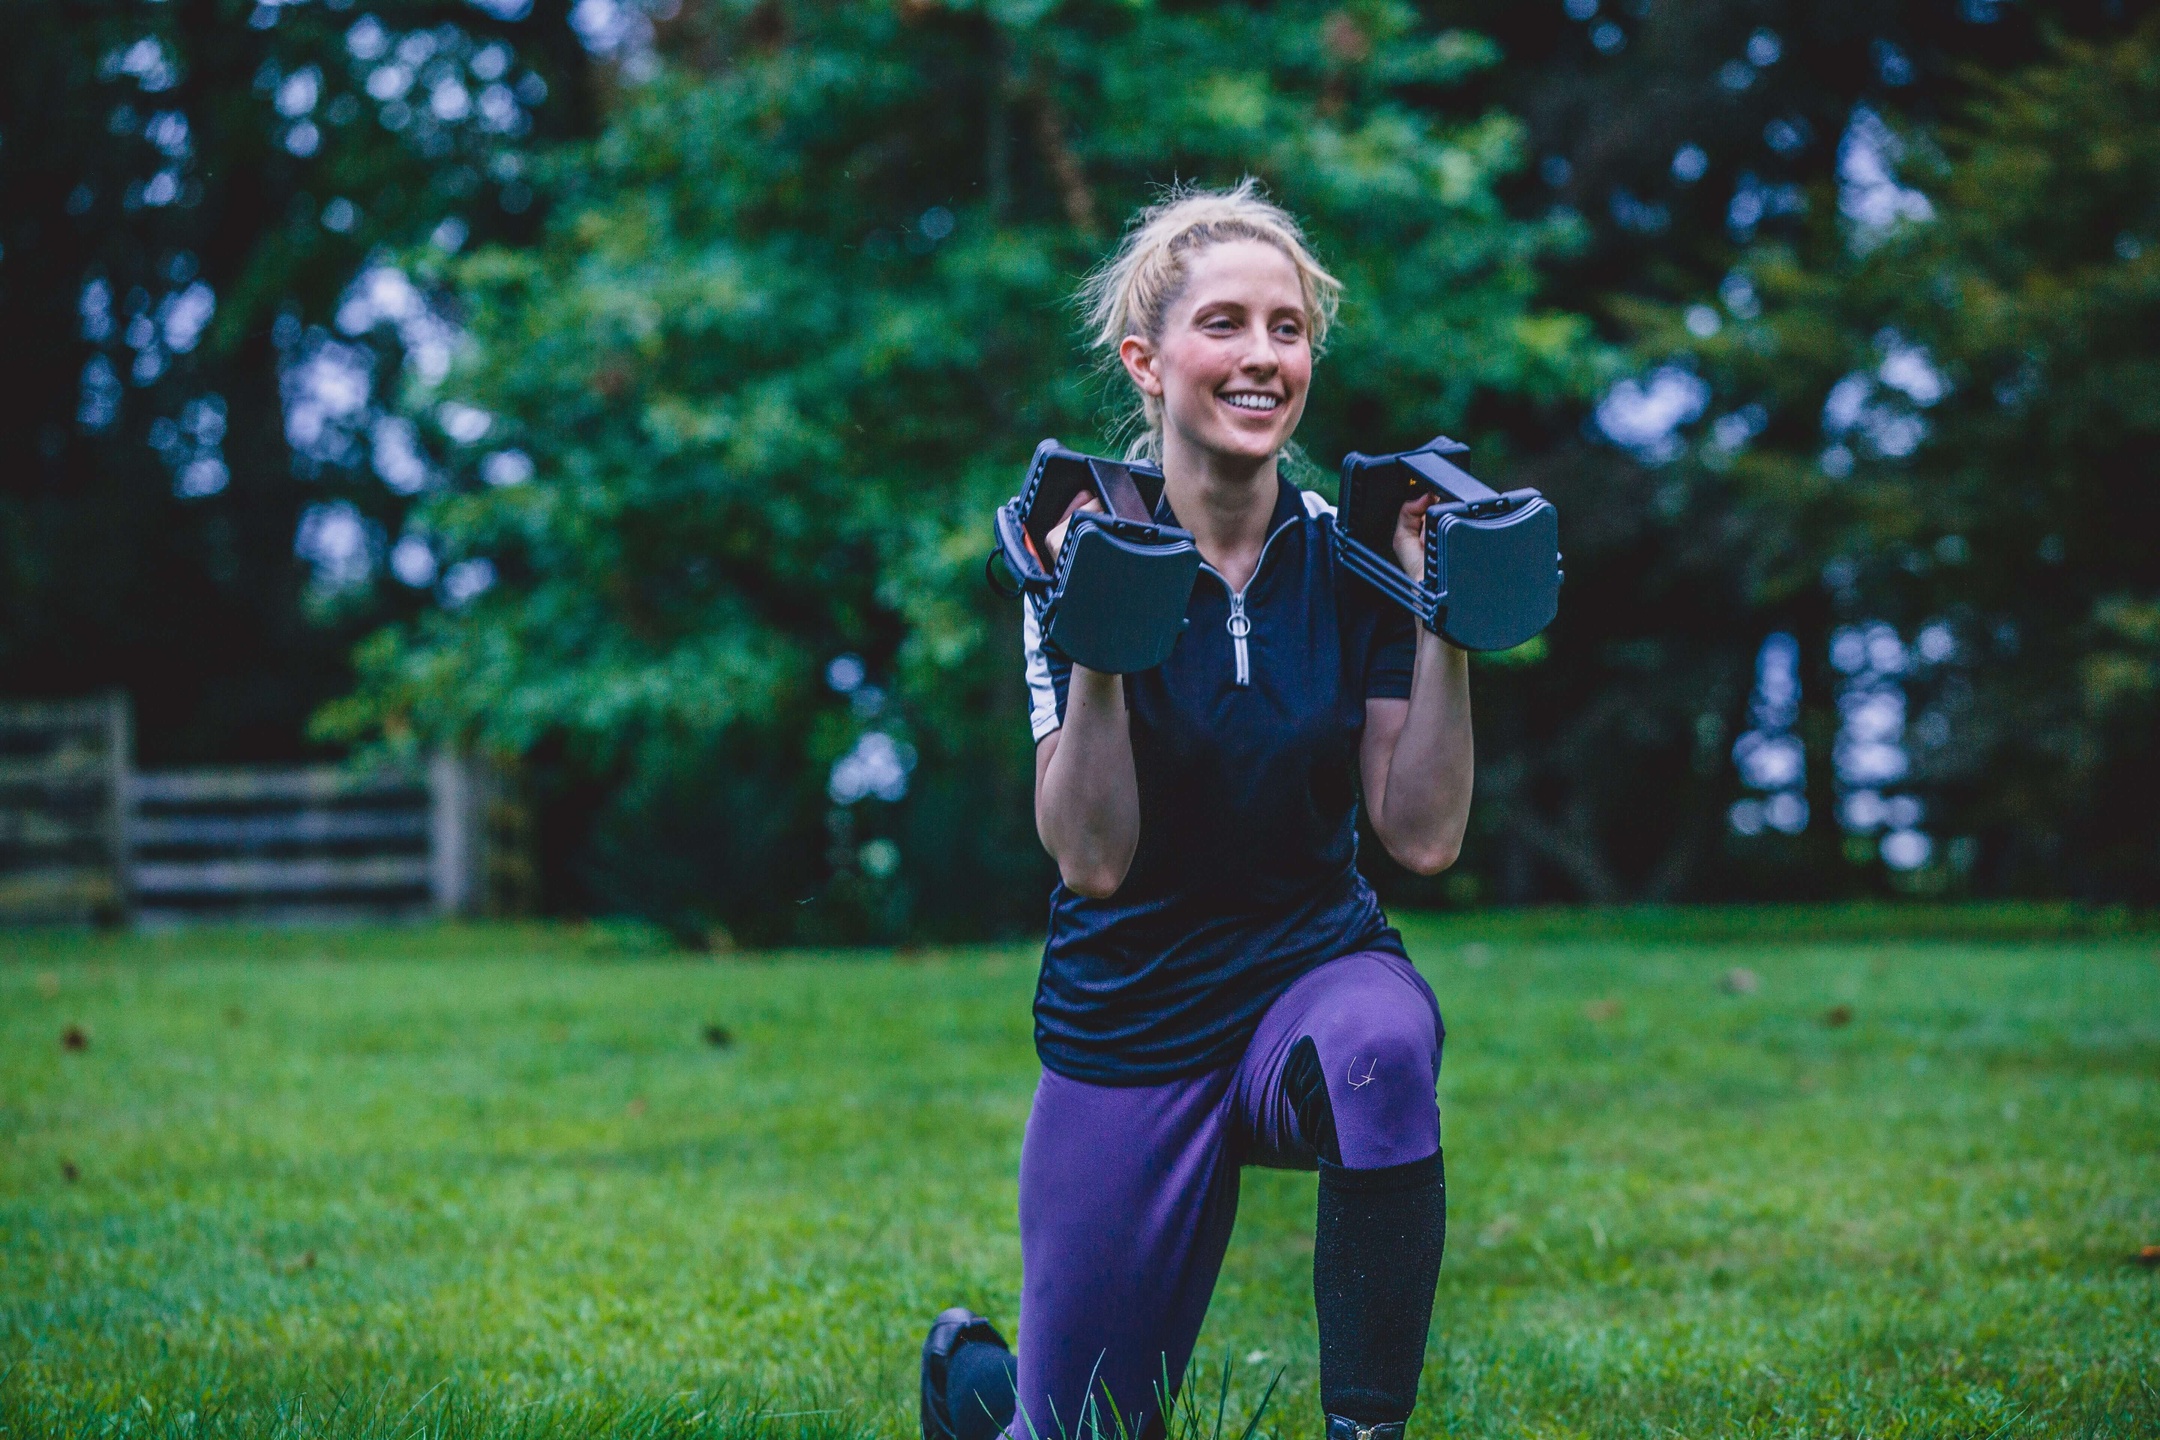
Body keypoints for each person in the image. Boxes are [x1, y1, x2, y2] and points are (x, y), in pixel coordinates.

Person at [922, 180, 1475, 1440]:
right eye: (1224, 324)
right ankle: (982, 1398)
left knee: (1385, 1047)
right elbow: (1092, 857)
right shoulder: (1075, 549)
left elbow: (1424, 835)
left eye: (1289, 330)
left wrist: (1443, 620)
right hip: (1132, 1010)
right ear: (1148, 361)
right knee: (1084, 1430)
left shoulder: (1355, 564)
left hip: (1309, 976)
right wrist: (1099, 632)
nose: (1262, 357)